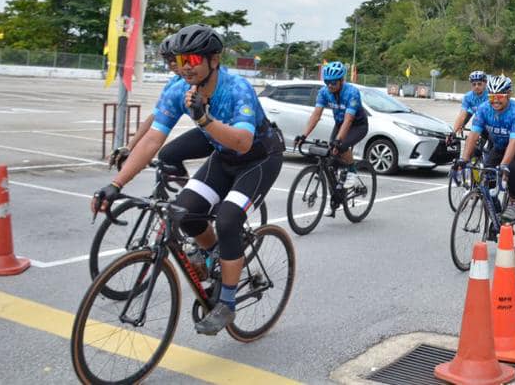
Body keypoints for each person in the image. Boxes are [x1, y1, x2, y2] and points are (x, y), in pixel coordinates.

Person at [92, 24, 285, 335]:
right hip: (223, 158)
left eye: (191, 60)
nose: (184, 69)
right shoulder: (179, 89)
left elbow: (243, 143)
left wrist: (204, 119)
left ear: (214, 60)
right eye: (179, 62)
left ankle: (227, 303)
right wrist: (116, 184)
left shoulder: (237, 88)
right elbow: (154, 140)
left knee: (227, 219)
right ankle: (215, 256)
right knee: (186, 213)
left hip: (259, 159)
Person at [108, 34, 213, 179]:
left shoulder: (209, 76)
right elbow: (156, 117)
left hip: (231, 135)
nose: (173, 65)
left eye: (176, 60)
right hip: (207, 133)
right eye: (168, 61)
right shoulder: (175, 85)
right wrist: (129, 147)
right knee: (167, 156)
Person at [459, 74, 515, 222]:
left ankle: (513, 202)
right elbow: (473, 135)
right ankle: (496, 211)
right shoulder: (483, 109)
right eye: (492, 97)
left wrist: (504, 165)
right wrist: (464, 159)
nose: (495, 101)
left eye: (499, 96)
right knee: (487, 174)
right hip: (499, 146)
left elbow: (514, 142)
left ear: (508, 94)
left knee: (512, 168)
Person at [296, 61, 369, 198]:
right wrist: (303, 135)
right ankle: (336, 196)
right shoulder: (324, 92)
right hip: (340, 123)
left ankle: (352, 171)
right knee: (331, 154)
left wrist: (339, 141)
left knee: (340, 146)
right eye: (327, 82)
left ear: (342, 81)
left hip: (358, 125)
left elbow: (348, 120)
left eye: (334, 83)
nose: (330, 85)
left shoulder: (352, 93)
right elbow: (316, 115)